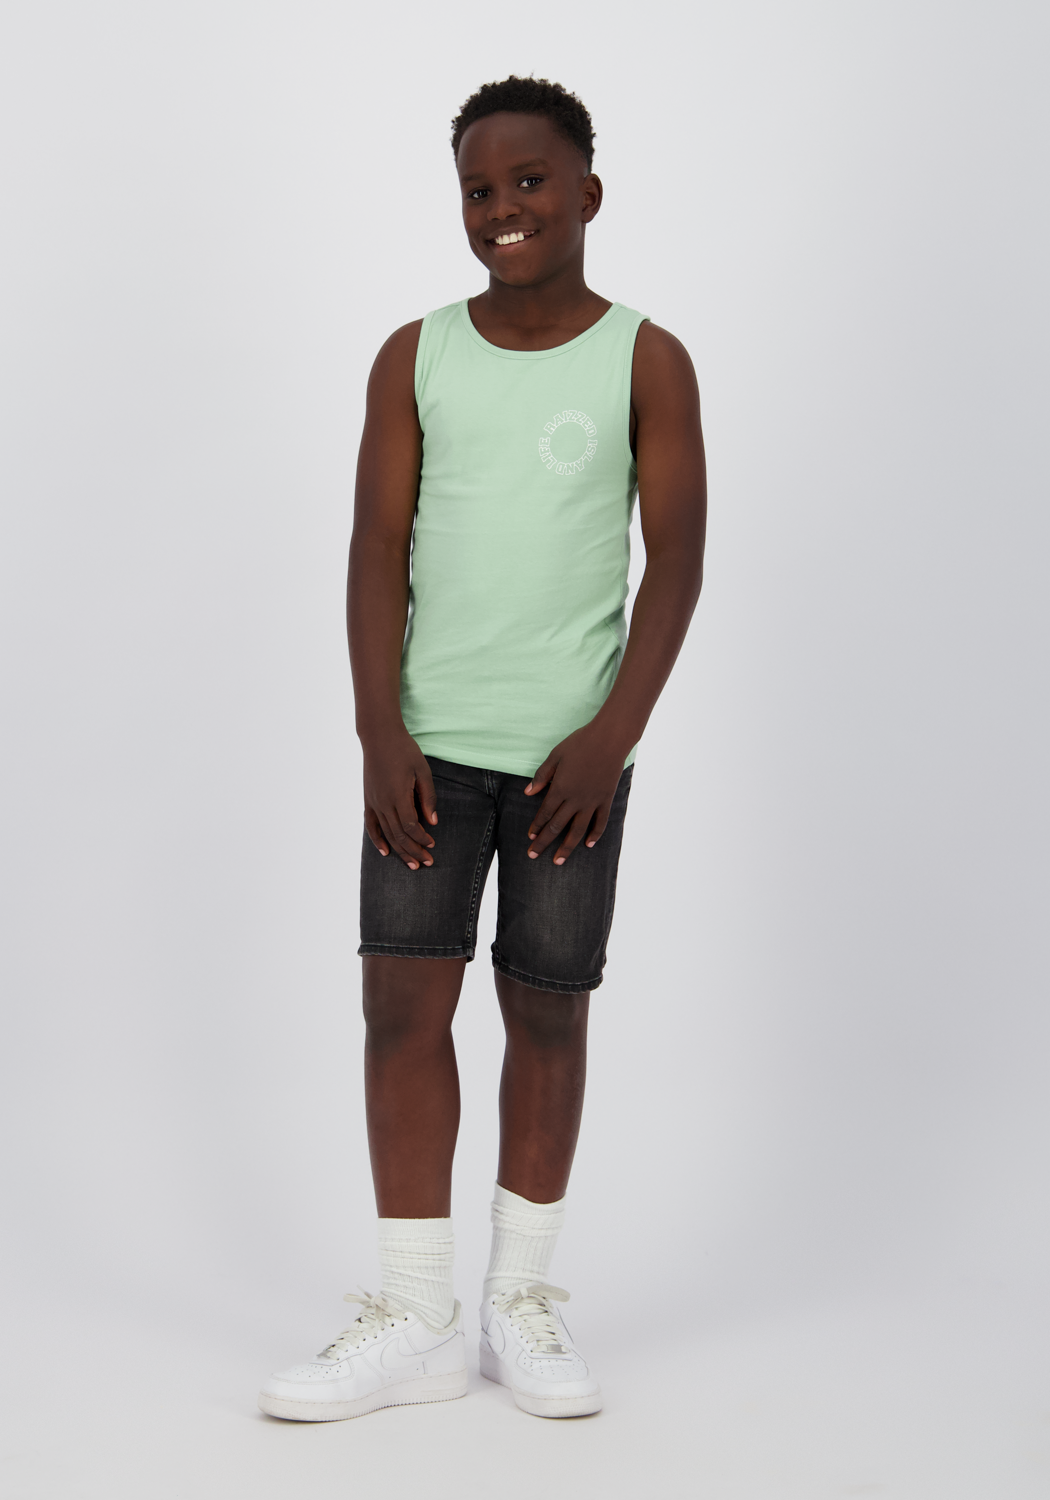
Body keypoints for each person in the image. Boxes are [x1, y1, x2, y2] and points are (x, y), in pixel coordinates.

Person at [259, 75, 706, 1422]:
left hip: (573, 760)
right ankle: (416, 1312)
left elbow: (677, 560)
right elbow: (374, 548)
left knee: (548, 1008)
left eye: (529, 181)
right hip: (428, 750)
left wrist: (613, 734)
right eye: (477, 189)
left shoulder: (646, 359)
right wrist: (376, 728)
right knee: (402, 1008)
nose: (502, 207)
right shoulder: (416, 355)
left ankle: (521, 1298)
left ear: (589, 193)